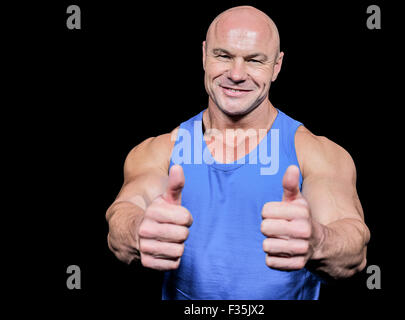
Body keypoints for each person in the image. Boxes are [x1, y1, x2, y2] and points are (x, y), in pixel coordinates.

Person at [106, 5, 370, 300]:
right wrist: (139, 230)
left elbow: (354, 245)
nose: (236, 74)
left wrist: (317, 240)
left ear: (277, 66)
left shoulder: (316, 153)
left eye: (255, 60)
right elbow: (122, 215)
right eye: (224, 56)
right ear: (204, 54)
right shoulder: (160, 149)